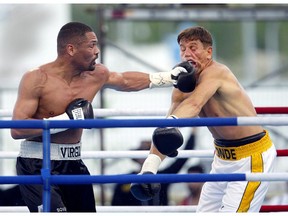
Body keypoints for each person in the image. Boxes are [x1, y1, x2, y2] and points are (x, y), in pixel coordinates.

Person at [10, 22, 191, 212]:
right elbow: (17, 128)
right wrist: (65, 120)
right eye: (91, 45)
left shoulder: (96, 74)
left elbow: (125, 80)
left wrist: (169, 77)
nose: (97, 51)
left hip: (73, 162)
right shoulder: (37, 79)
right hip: (37, 162)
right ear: (71, 49)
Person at [130, 26, 277, 212]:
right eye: (183, 49)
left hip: (251, 156)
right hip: (222, 159)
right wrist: (149, 169)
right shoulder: (182, 84)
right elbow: (165, 130)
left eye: (193, 47)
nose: (187, 54)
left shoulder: (217, 72)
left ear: (208, 52)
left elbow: (194, 105)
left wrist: (172, 123)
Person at [111, 129, 196, 206]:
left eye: (149, 151)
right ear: (136, 157)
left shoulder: (162, 176)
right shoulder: (125, 181)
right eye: (141, 151)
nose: (146, 155)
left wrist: (194, 131)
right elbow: (115, 205)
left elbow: (182, 159)